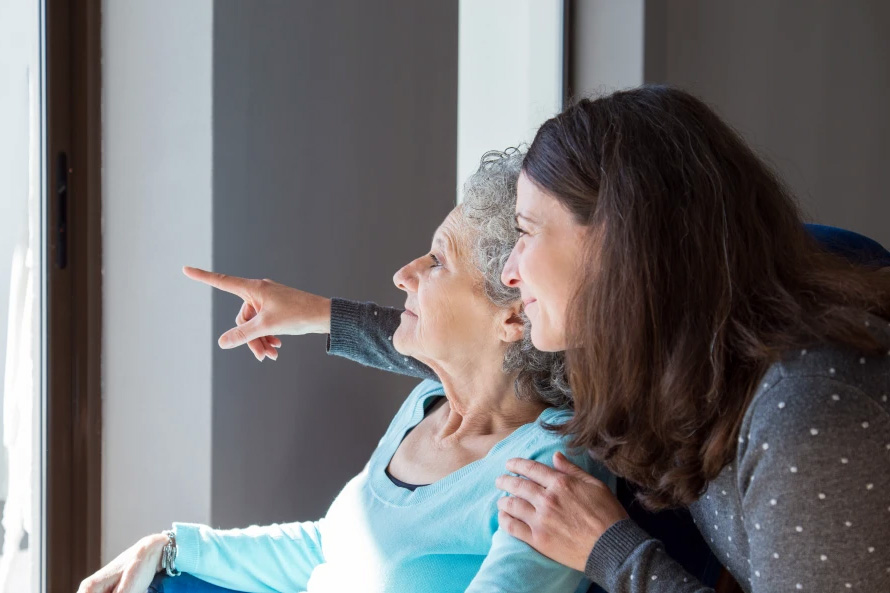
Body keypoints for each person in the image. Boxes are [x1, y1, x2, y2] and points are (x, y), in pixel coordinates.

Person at [188, 87, 890, 593]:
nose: (512, 270)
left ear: (618, 243)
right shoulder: (658, 357)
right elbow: (478, 351)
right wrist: (316, 314)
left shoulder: (813, 419)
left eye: (525, 234)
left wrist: (611, 549)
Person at [77, 151, 612, 593]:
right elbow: (329, 550)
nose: (404, 274)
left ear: (513, 313)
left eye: (438, 262)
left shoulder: (548, 465)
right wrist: (171, 547)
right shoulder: (426, 405)